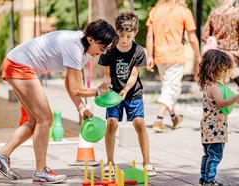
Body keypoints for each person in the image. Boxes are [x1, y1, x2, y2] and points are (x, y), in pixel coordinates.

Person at [0, 19, 117, 184]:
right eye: (101, 48)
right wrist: (98, 92)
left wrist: (81, 107)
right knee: (45, 118)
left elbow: (69, 84)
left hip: (17, 64)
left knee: (36, 120)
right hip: (19, 65)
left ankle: (1, 156)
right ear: (90, 39)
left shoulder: (84, 52)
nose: (101, 52)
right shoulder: (74, 46)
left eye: (105, 49)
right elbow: (76, 88)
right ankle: (41, 171)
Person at [98, 12, 156, 177]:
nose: (124, 40)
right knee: (111, 123)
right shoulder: (109, 51)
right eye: (121, 35)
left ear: (135, 33)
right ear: (116, 31)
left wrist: (126, 89)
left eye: (128, 36)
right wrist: (106, 84)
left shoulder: (138, 51)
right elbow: (107, 73)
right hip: (113, 94)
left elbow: (134, 75)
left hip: (133, 93)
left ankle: (147, 162)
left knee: (139, 123)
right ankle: (110, 161)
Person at [146, 0, 201, 132]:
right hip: (175, 56)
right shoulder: (184, 12)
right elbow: (192, 38)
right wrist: (199, 56)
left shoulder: (155, 10)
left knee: (168, 88)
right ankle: (158, 121)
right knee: (172, 89)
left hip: (159, 56)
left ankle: (174, 117)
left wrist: (150, 56)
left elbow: (149, 36)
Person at [195, 49, 239, 186]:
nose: (225, 73)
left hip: (208, 128)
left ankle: (203, 178)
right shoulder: (214, 86)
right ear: (217, 68)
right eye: (224, 69)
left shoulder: (207, 83)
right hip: (215, 129)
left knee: (207, 155)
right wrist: (237, 97)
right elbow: (222, 103)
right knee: (215, 156)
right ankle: (209, 180)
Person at [202, 0, 239, 87]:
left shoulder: (213, 13)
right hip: (233, 54)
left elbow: (205, 36)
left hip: (217, 55)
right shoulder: (237, 14)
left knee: (219, 85)